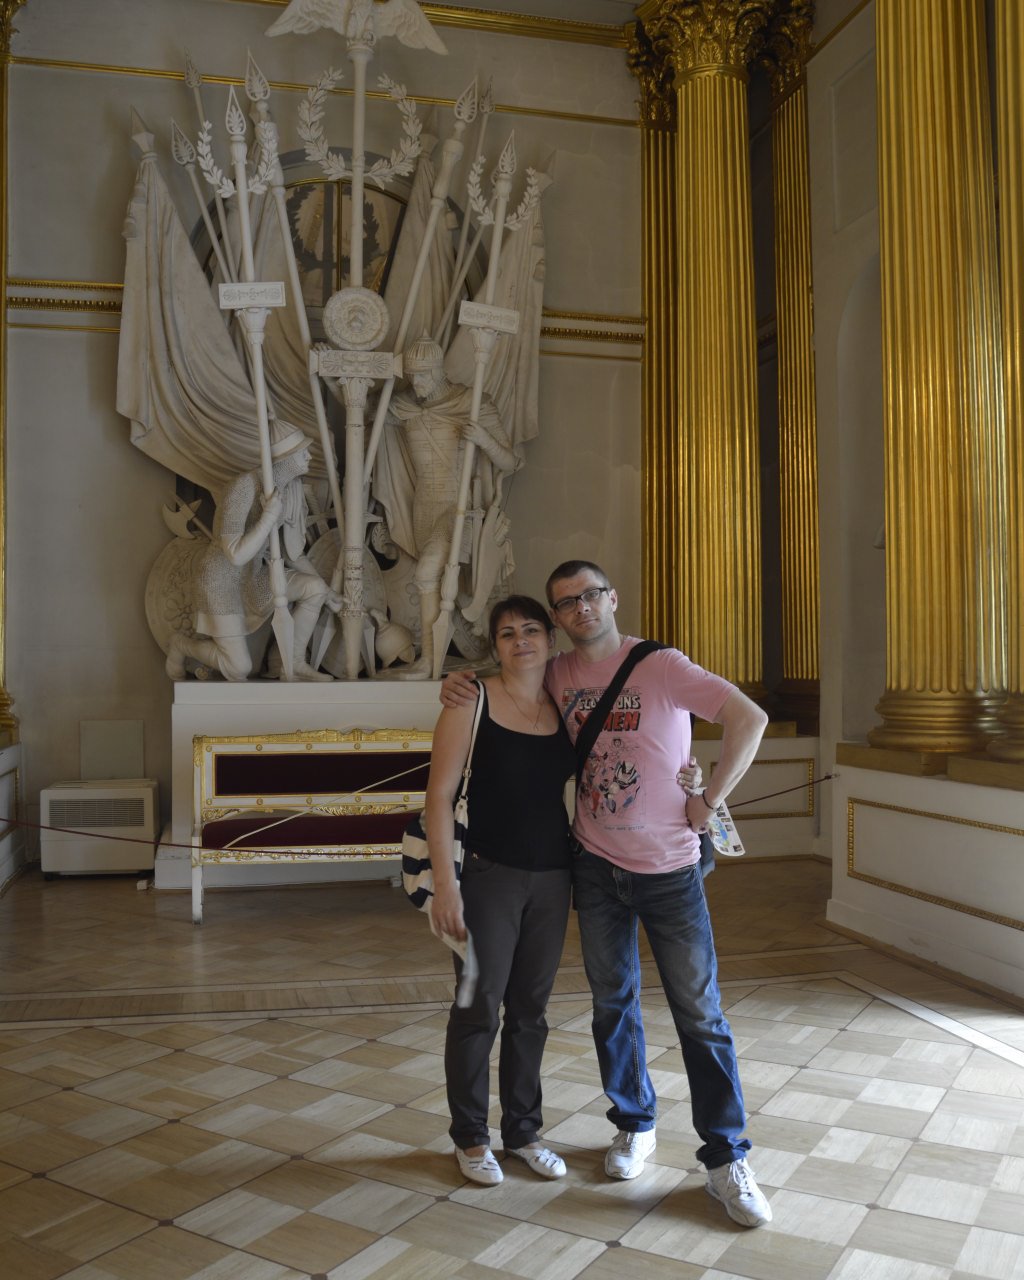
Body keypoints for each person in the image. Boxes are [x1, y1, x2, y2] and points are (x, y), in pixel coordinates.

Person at [442, 559, 773, 1227]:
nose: (580, 609)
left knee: (700, 1015)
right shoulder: (557, 672)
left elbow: (750, 716)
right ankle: (633, 1123)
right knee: (611, 1006)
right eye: (566, 603)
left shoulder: (661, 665)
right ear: (557, 618)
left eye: (589, 595)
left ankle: (726, 1158)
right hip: (593, 867)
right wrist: (459, 679)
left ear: (611, 598)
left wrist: (708, 797)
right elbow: (508, 673)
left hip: (670, 869)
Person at [426, 594, 575, 1187]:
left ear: (550, 639)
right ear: (496, 646)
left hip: (554, 876)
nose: (521, 641)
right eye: (508, 633)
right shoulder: (471, 700)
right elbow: (438, 797)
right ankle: (470, 1136)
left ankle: (524, 1132)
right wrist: (446, 885)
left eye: (531, 630)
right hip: (486, 876)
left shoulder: (564, 702)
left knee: (531, 1012)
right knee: (476, 1007)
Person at [372, 336, 520, 676]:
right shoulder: (404, 406)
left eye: (424, 375)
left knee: (427, 573)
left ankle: (429, 661)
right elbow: (363, 411)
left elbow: (510, 462)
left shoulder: (471, 402)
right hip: (422, 507)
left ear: (439, 371)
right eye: (412, 375)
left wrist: (483, 439)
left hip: (458, 509)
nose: (417, 383)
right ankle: (433, 655)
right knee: (432, 581)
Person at [166, 425, 338, 682]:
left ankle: (292, 663)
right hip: (221, 582)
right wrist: (268, 517)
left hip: (255, 576)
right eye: (303, 452)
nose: (310, 457)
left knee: (315, 588)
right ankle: (182, 645)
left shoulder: (292, 490)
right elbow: (235, 555)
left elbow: (294, 554)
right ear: (286, 457)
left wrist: (329, 592)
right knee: (239, 669)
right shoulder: (243, 487)